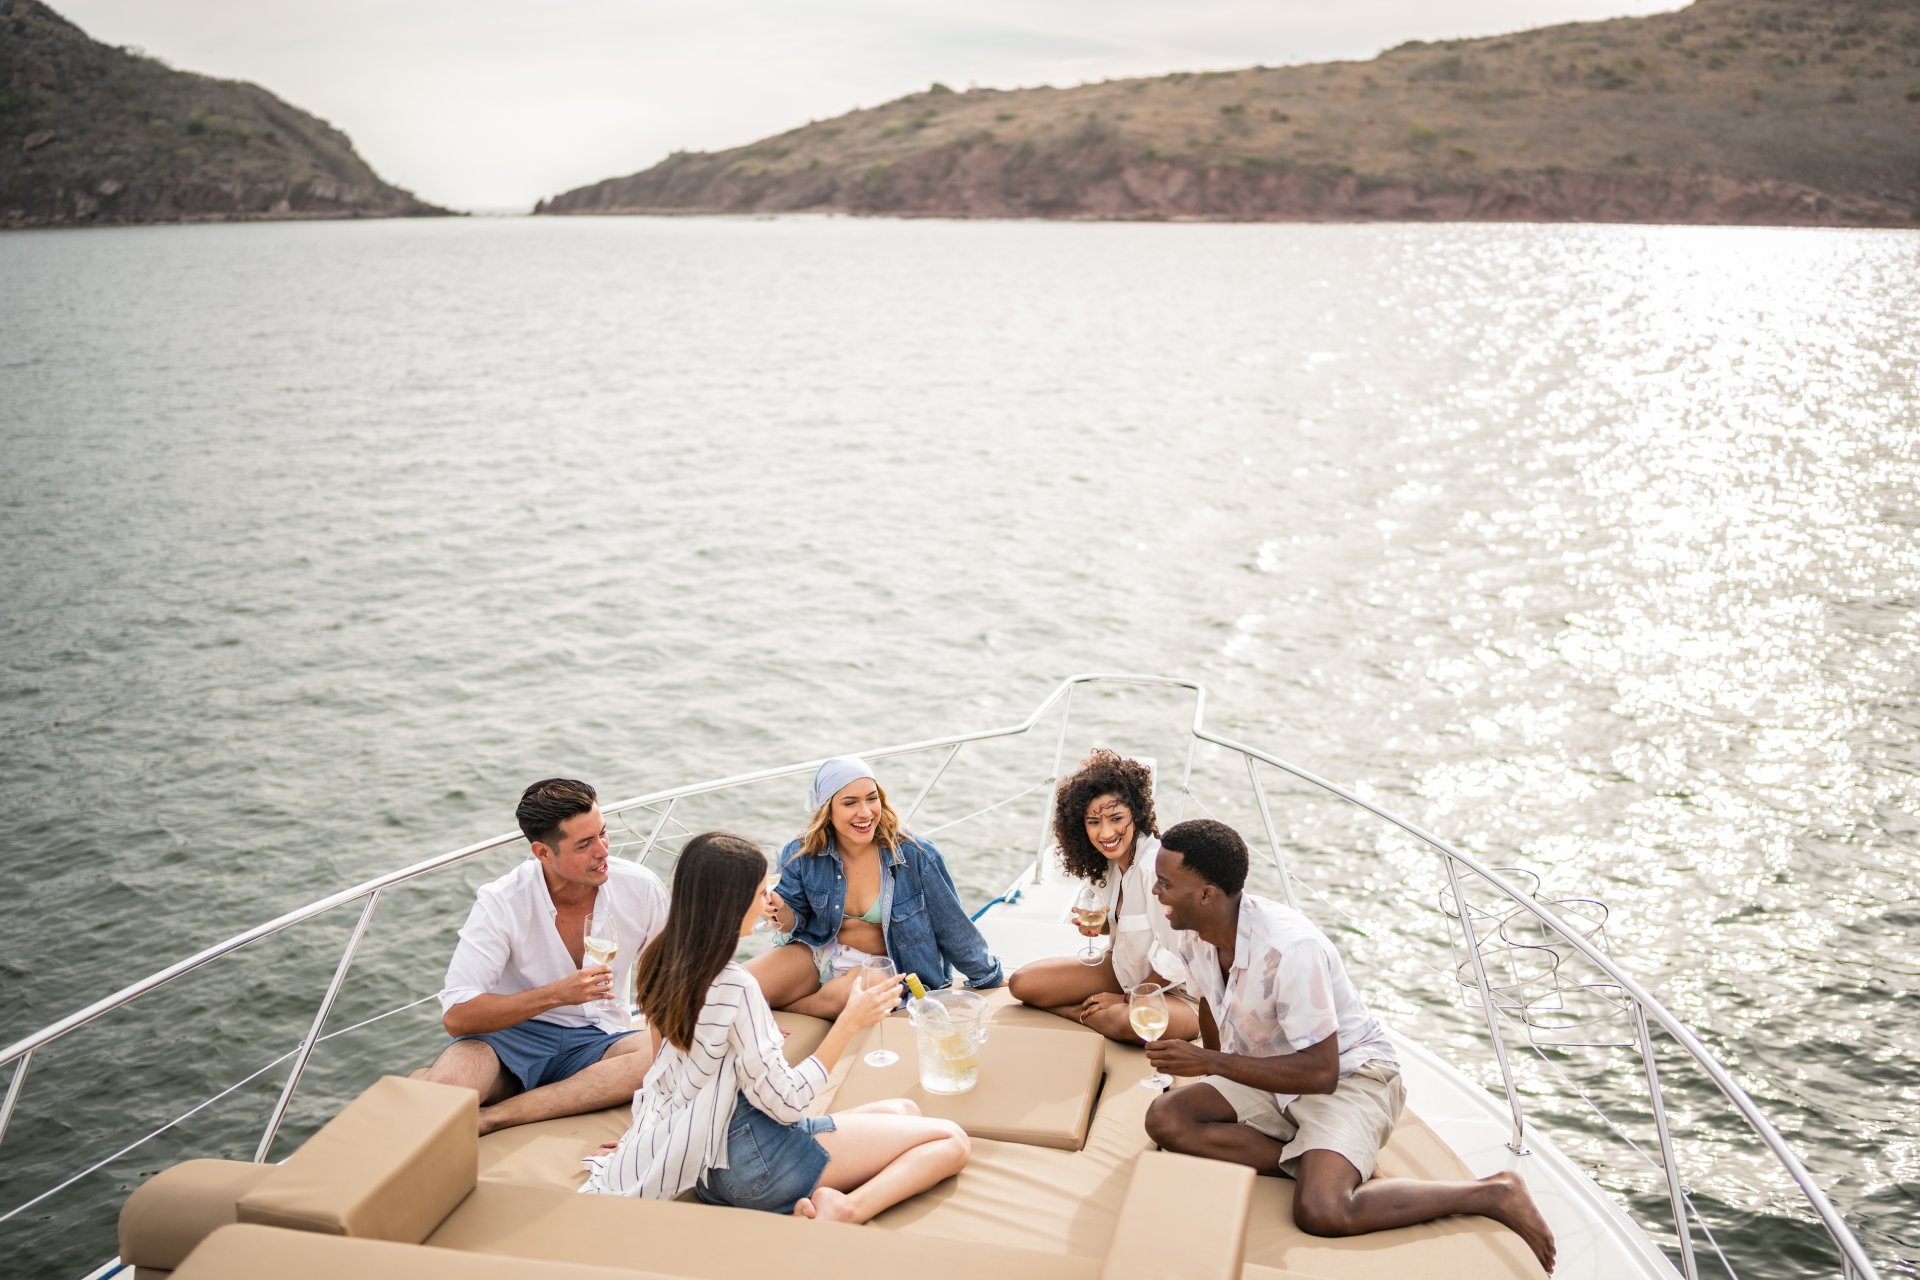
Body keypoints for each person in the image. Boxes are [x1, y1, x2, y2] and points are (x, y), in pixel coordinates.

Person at [1143, 819, 1557, 1275]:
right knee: (1168, 1118)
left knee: (1323, 1211)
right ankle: (1318, 1159)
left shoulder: (1289, 949)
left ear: (1206, 894)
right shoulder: (1193, 934)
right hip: (1267, 1071)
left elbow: (1322, 1074)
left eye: (1166, 883)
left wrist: (1210, 1060)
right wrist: (1213, 1077)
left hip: (1351, 1077)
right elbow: (1209, 1005)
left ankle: (1493, 1192)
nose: (1157, 891)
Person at [583, 830, 971, 1220]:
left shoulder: (661, 962)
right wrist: (850, 1021)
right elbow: (786, 1104)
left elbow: (666, 1074)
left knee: (905, 1110)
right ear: (732, 903)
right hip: (758, 1167)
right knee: (951, 1141)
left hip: (708, 1164)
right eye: (760, 890)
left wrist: (647, 1144)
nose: (768, 900)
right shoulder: (735, 985)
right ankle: (847, 1210)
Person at [420, 778, 667, 1135]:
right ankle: (466, 1084)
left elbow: (667, 978)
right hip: (506, 1041)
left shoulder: (640, 887)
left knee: (662, 1055)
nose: (603, 851)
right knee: (445, 1092)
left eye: (603, 833)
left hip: (601, 1038)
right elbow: (457, 1016)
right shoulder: (502, 902)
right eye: (585, 844)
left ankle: (497, 1116)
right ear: (543, 853)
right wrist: (557, 995)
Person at [745, 756, 1003, 1017]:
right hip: (819, 953)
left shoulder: (916, 856)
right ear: (827, 809)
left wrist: (988, 977)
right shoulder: (803, 852)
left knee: (867, 991)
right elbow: (792, 920)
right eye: (850, 803)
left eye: (871, 798)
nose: (866, 812)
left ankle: (790, 1007)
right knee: (740, 985)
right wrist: (779, 910)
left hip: (884, 970)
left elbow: (953, 928)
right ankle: (810, 1002)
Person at [1007, 749, 1200, 1045]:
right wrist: (1101, 927)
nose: (1106, 832)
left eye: (1116, 818)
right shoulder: (1110, 864)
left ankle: (1079, 1014)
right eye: (1094, 822)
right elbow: (1126, 925)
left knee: (1128, 1022)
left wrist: (1125, 999)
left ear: (1135, 814)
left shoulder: (1155, 869)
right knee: (1023, 984)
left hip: (1178, 991)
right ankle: (1096, 1014)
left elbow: (1181, 956)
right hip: (1125, 971)